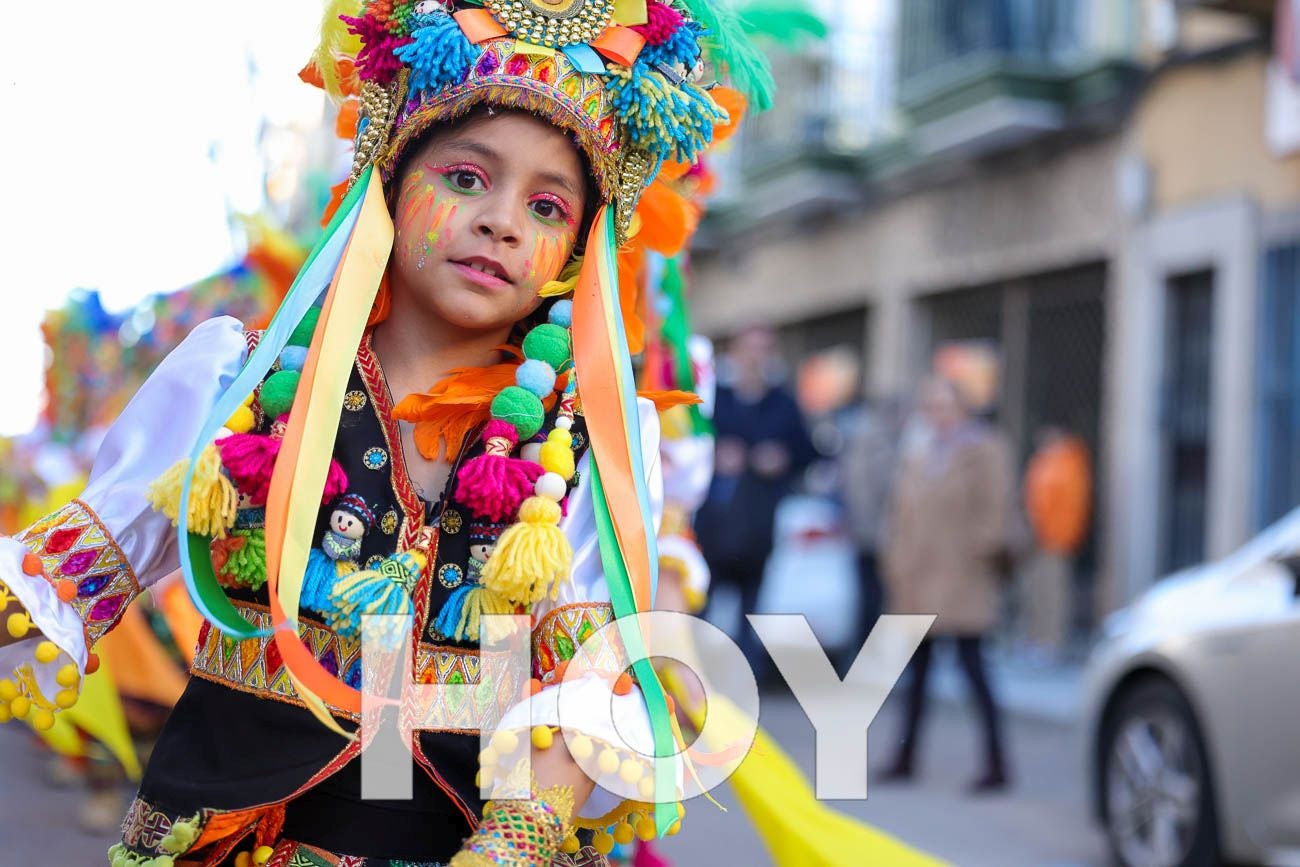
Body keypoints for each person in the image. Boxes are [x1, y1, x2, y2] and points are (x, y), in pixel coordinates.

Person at [0, 2, 762, 863]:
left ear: (582, 245)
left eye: (548, 207)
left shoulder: (583, 445)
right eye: (467, 179)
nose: (504, 221)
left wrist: (516, 841)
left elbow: (584, 678)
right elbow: (61, 570)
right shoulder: (241, 383)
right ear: (389, 178)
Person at [880, 375, 1014, 793]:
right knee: (917, 675)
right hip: (920, 581)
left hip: (963, 580)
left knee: (974, 671)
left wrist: (981, 551)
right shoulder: (920, 452)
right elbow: (901, 513)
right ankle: (905, 757)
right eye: (931, 406)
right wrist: (897, 562)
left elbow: (998, 511)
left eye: (945, 405)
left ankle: (996, 763)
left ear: (963, 408)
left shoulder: (986, 449)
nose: (938, 414)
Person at [694, 326, 815, 683]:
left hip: (757, 524)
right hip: (714, 523)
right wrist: (714, 454)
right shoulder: (716, 396)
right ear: (735, 350)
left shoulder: (782, 402)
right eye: (749, 349)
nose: (755, 357)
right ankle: (693, 678)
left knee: (752, 612)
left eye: (763, 349)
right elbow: (686, 439)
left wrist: (782, 459)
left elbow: (807, 452)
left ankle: (744, 683)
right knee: (701, 604)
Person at [837, 395, 903, 674]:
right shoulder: (878, 444)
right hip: (876, 536)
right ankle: (872, 660)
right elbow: (874, 490)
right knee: (874, 601)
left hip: (870, 534)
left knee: (871, 599)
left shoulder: (866, 441)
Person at [1021, 424, 1092, 663]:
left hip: (1054, 540)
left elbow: (1069, 507)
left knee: (1053, 594)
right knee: (1036, 593)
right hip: (1038, 539)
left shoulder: (1069, 465)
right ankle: (1036, 639)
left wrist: (1058, 535)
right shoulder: (1045, 462)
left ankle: (1050, 643)